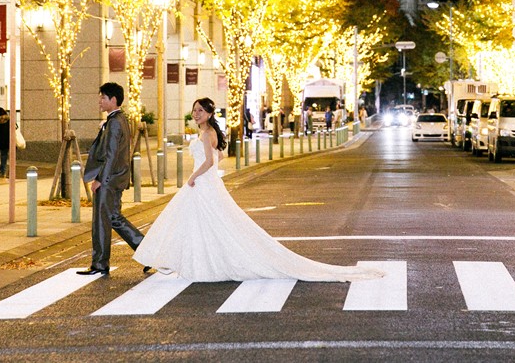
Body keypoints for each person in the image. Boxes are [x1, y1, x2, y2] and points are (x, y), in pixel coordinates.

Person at [133, 96, 384, 283]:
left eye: (200, 111)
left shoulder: (206, 133)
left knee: (203, 221)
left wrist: (193, 177)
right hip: (207, 184)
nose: (196, 114)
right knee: (200, 221)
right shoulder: (207, 133)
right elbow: (219, 157)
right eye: (195, 110)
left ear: (209, 114)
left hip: (202, 183)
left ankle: (179, 260)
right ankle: (179, 260)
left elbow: (211, 161)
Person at [78, 82, 146, 276]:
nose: (100, 100)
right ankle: (148, 253)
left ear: (113, 100)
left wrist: (101, 179)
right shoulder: (118, 119)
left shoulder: (115, 122)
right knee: (114, 217)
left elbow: (111, 154)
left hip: (109, 180)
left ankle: (100, 263)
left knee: (101, 220)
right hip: (116, 178)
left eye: (103, 97)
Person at [0, 107, 9, 177]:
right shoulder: (8, 120)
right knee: (10, 156)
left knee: (3, 155)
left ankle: (3, 170)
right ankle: (3, 169)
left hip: (1, 141)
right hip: (9, 140)